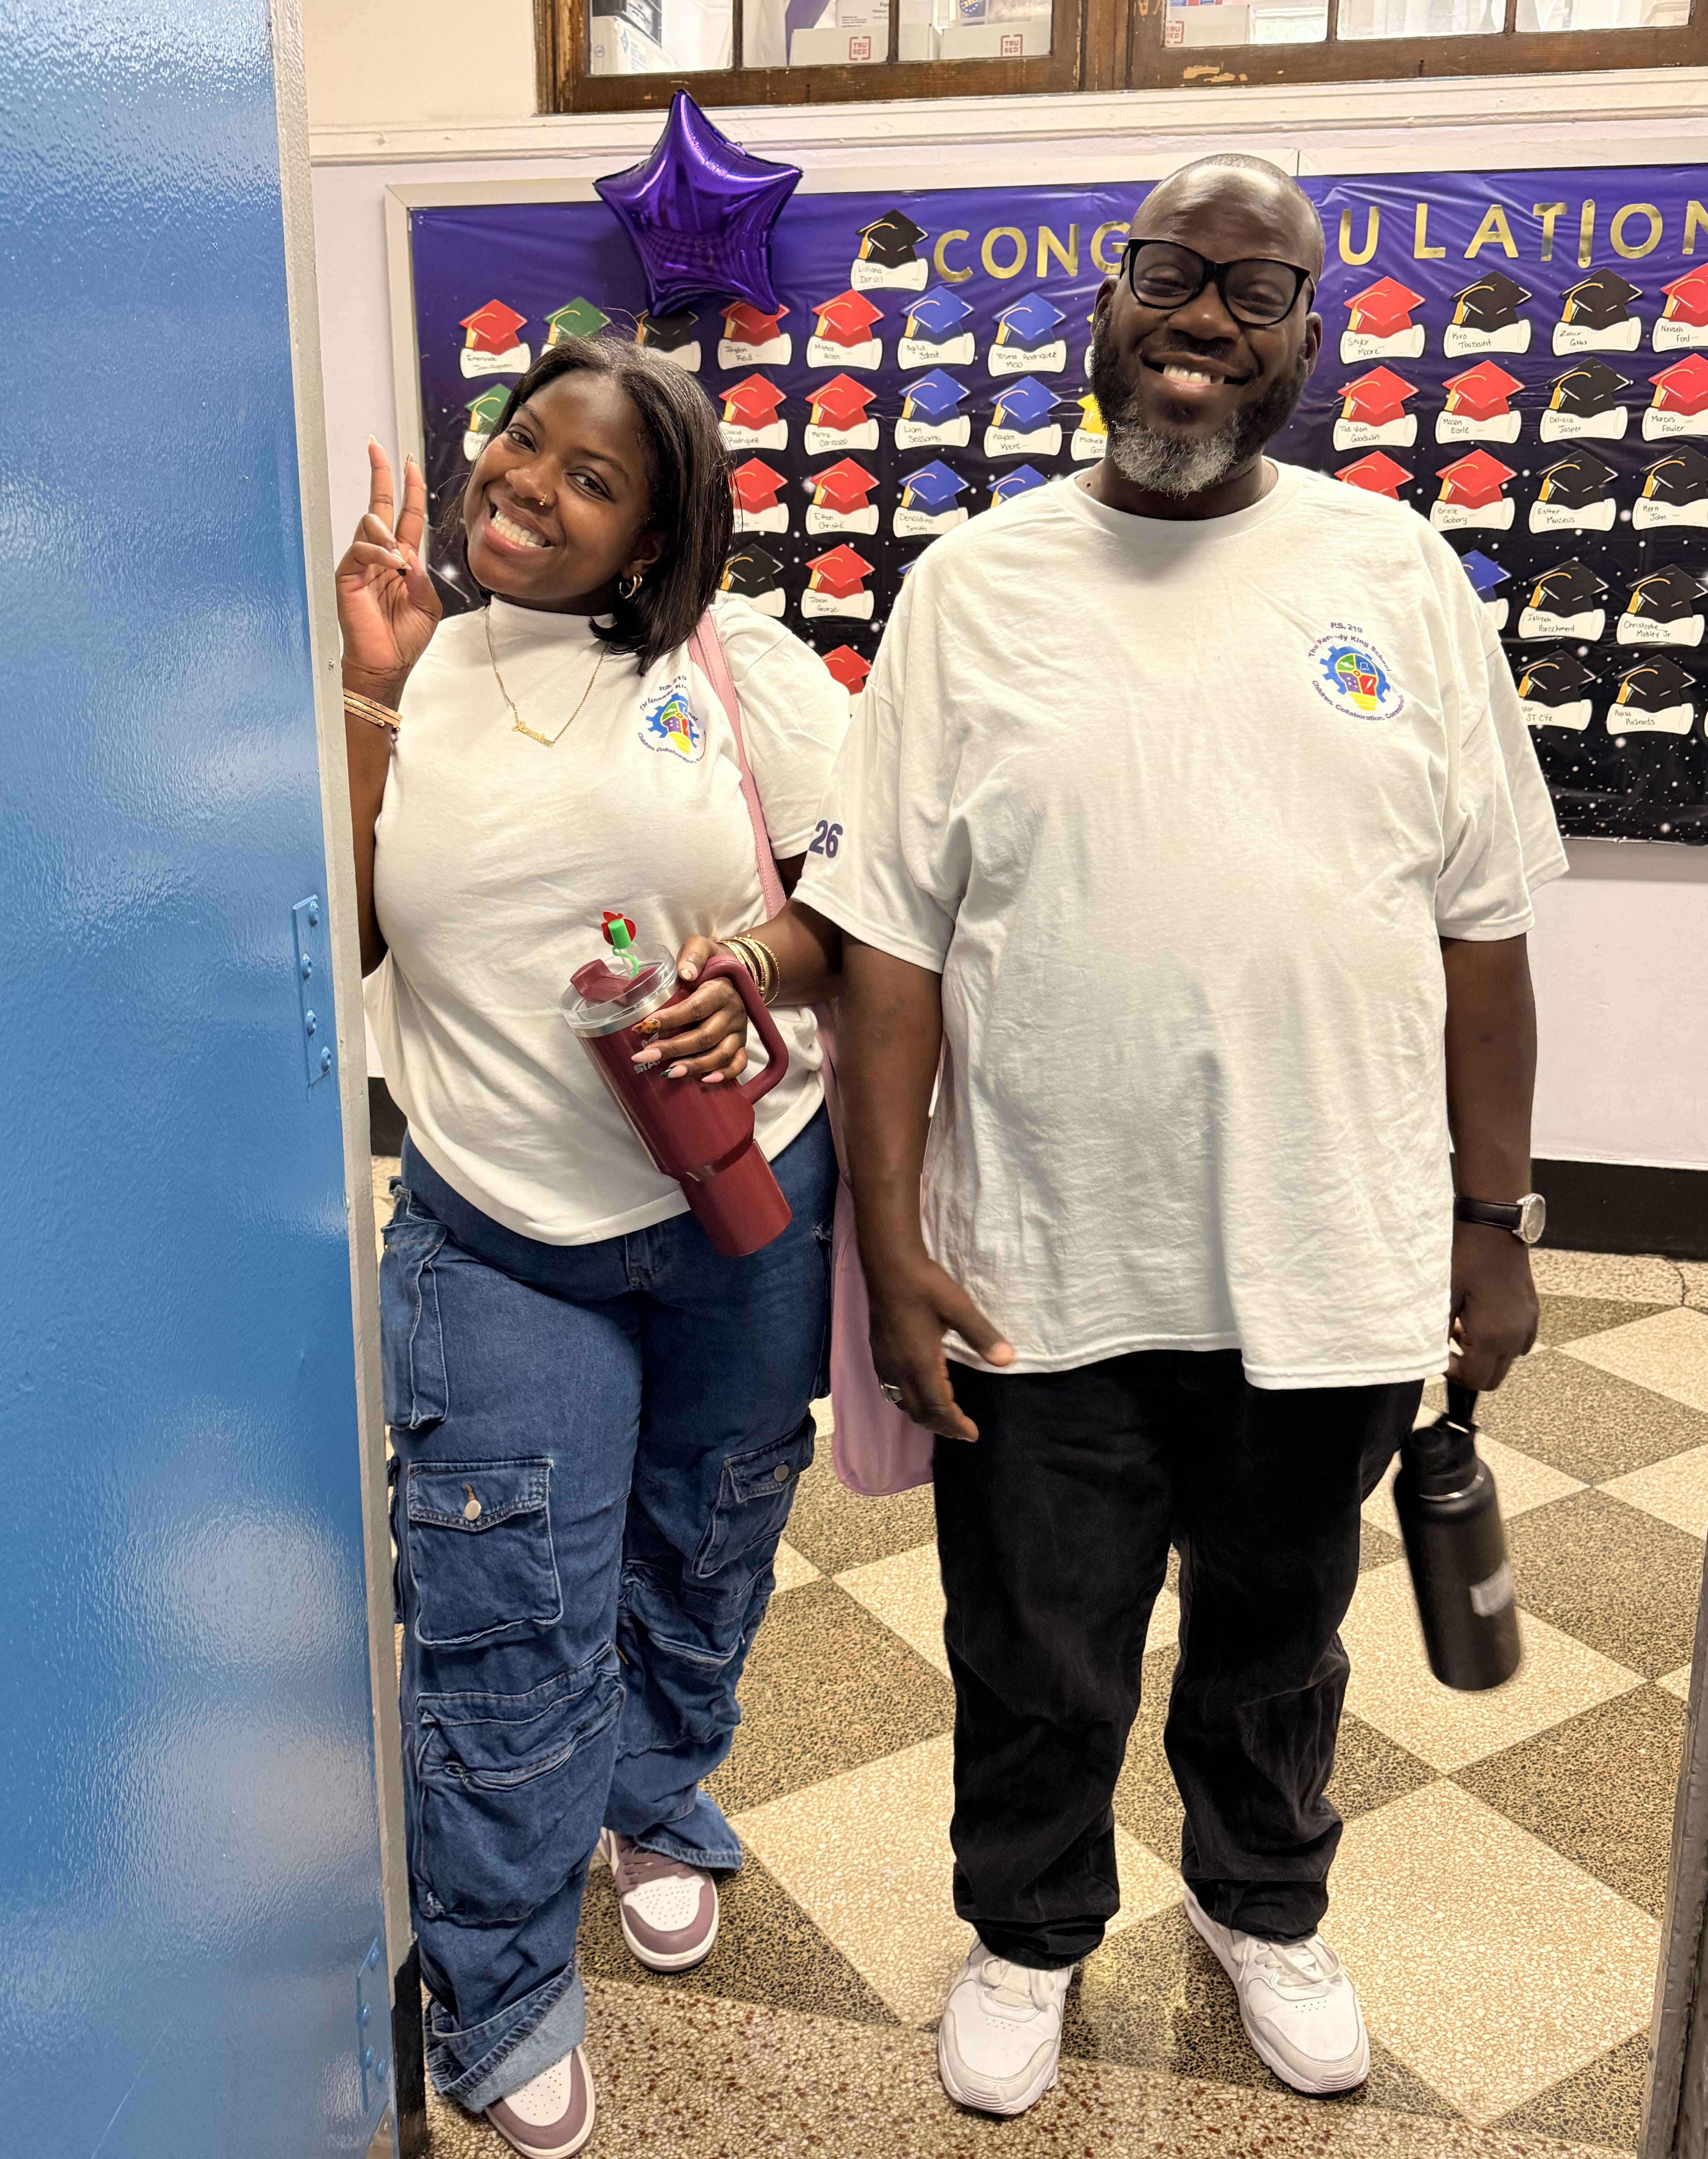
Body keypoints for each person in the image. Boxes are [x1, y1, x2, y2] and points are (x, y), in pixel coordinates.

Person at [797, 154, 1564, 2119]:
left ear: (1309, 338)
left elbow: (1483, 935)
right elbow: (888, 953)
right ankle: (1029, 1930)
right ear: (1102, 307)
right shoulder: (974, 592)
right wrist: (888, 1246)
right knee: (1038, 1642)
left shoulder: (1394, 575)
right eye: (1167, 271)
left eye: (1255, 286)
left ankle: (1262, 1900)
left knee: (1280, 1626)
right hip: (1040, 1250)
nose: (1203, 314)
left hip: (1333, 1241)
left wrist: (1496, 1223)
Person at [338, 335, 847, 2158]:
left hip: (738, 1198)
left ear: (652, 543)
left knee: (706, 1537)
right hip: (500, 1232)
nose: (527, 485)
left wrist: (743, 976)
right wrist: (375, 687)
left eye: (589, 476)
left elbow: (854, 906)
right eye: (521, 440)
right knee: (506, 1608)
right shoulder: (418, 668)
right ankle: (500, 1978)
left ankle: (660, 1795)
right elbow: (343, 923)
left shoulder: (737, 669)